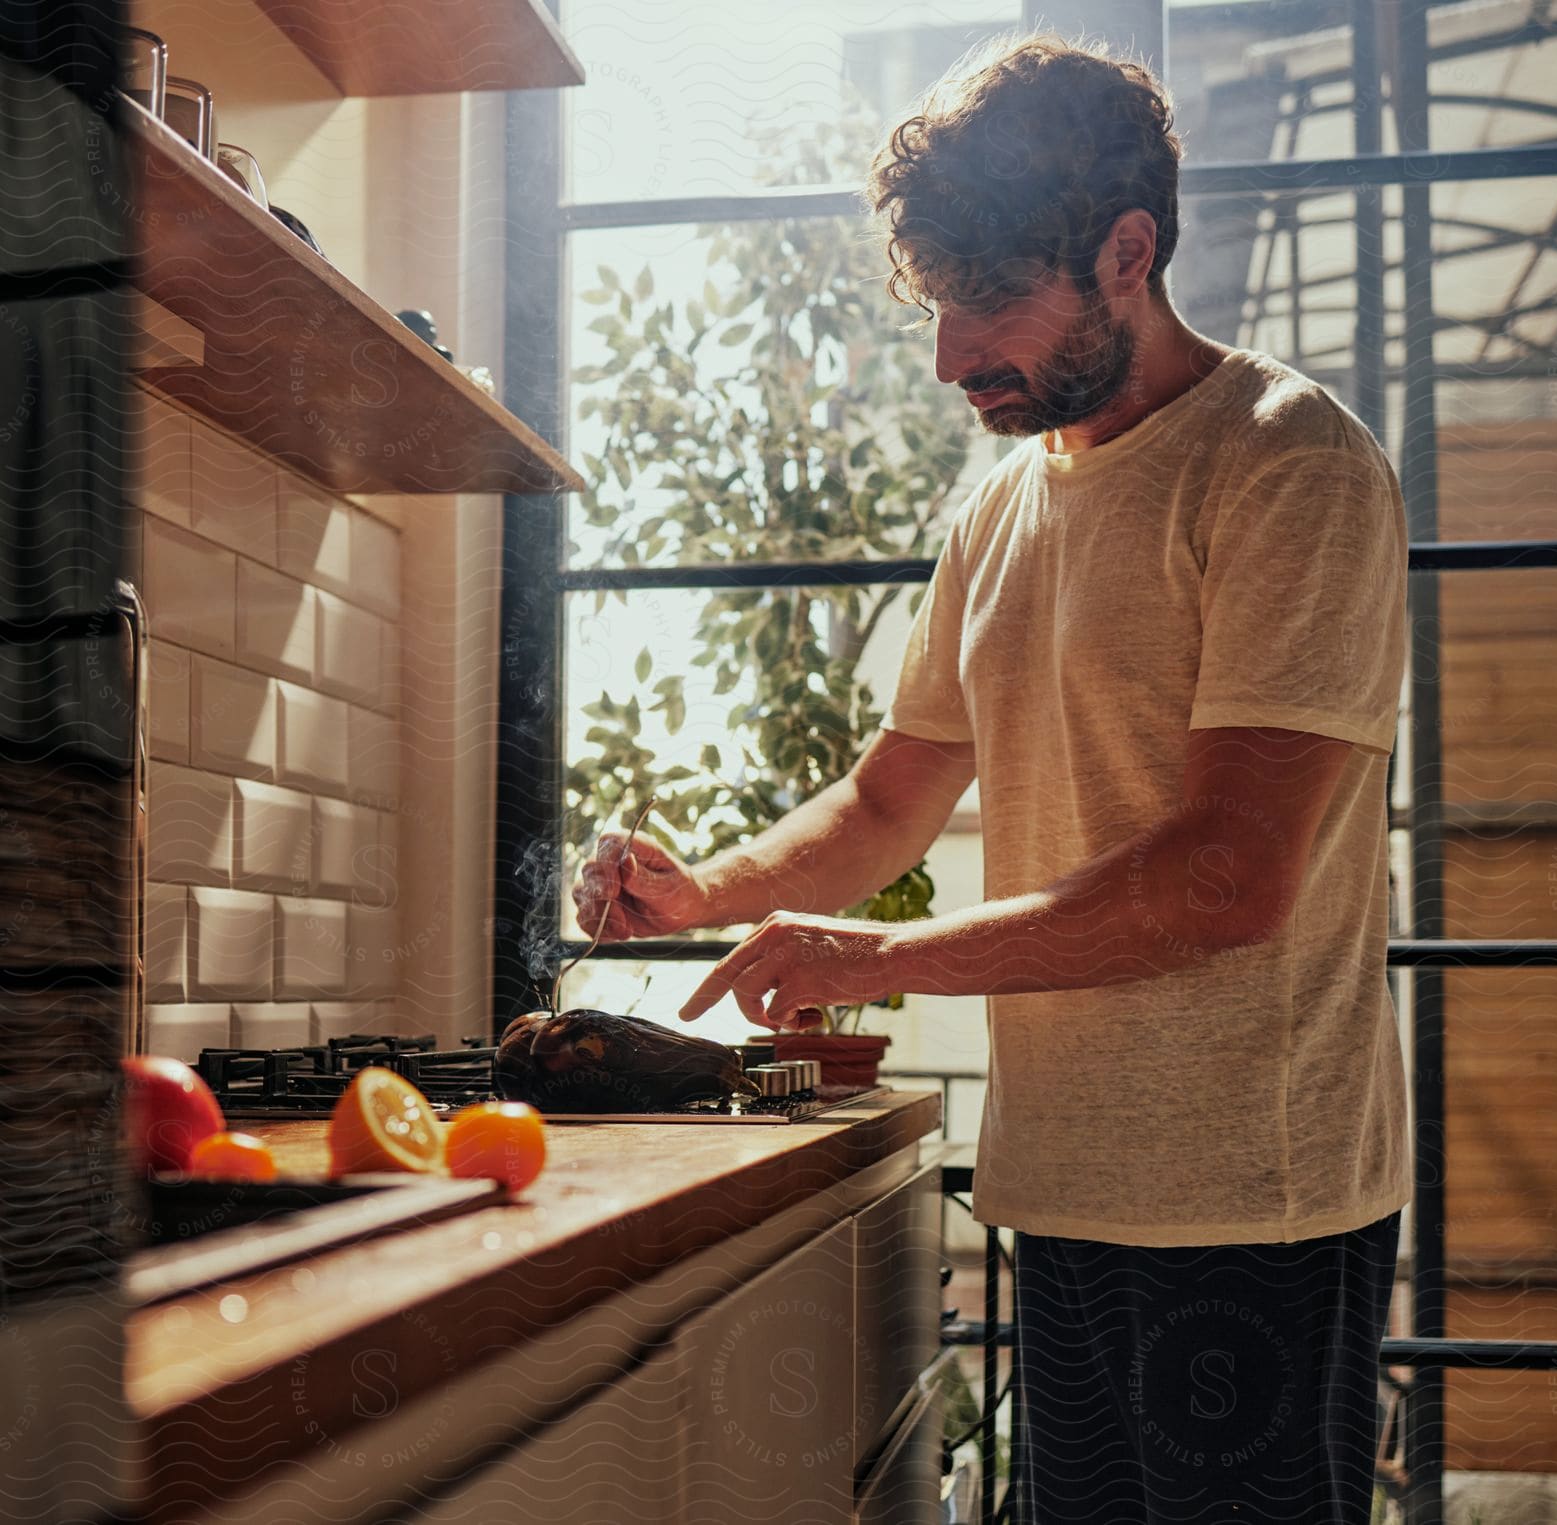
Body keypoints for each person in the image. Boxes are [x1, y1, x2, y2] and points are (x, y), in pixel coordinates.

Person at [574, 34, 1410, 1525]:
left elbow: (1231, 872)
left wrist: (883, 953)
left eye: (987, 304)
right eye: (941, 308)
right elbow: (890, 799)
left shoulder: (1288, 464)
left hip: (1253, 1212)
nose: (953, 357)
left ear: (1128, 251)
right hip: (1060, 1190)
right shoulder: (1003, 505)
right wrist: (706, 889)